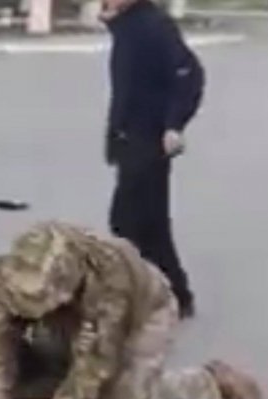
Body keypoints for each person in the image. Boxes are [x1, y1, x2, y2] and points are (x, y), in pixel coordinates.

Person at [0, 222, 261, 399]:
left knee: (129, 398)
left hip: (144, 312)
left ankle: (213, 383)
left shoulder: (110, 280)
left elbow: (97, 354)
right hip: (65, 318)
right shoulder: (10, 274)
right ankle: (56, 378)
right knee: (47, 360)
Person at [102, 0, 204, 319]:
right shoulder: (129, 25)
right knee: (147, 223)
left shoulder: (154, 25)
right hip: (130, 136)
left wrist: (174, 124)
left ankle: (153, 295)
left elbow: (189, 74)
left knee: (131, 220)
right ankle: (173, 294)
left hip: (149, 137)